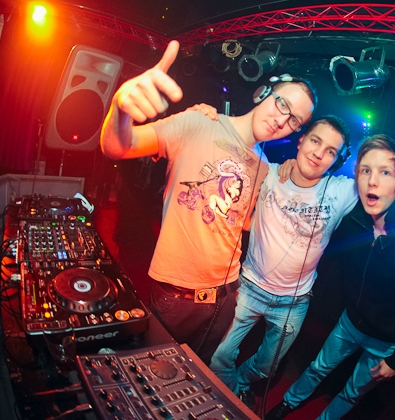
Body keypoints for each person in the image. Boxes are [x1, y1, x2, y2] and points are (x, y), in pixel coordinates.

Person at [99, 40, 317, 363]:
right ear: (264, 93)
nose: (282, 120)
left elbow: (241, 222)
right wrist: (120, 108)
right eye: (283, 104)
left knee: (194, 377)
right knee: (151, 369)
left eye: (295, 121)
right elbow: (118, 146)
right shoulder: (200, 122)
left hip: (226, 298)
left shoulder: (265, 167)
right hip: (177, 295)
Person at [206, 114, 395, 408]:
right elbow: (228, 154)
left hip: (293, 302)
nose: (319, 153)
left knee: (267, 367)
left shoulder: (344, 191)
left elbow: (389, 197)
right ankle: (230, 396)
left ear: (338, 160)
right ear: (301, 141)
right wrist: (211, 117)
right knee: (219, 356)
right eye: (315, 141)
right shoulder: (269, 172)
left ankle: (240, 384)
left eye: (330, 151)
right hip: (250, 288)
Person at [266, 134, 395, 420]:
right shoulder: (352, 218)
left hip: (386, 340)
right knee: (317, 368)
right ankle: (288, 403)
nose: (372, 181)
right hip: (350, 321)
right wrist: (292, 167)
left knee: (352, 392)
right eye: (365, 170)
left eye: (385, 172)